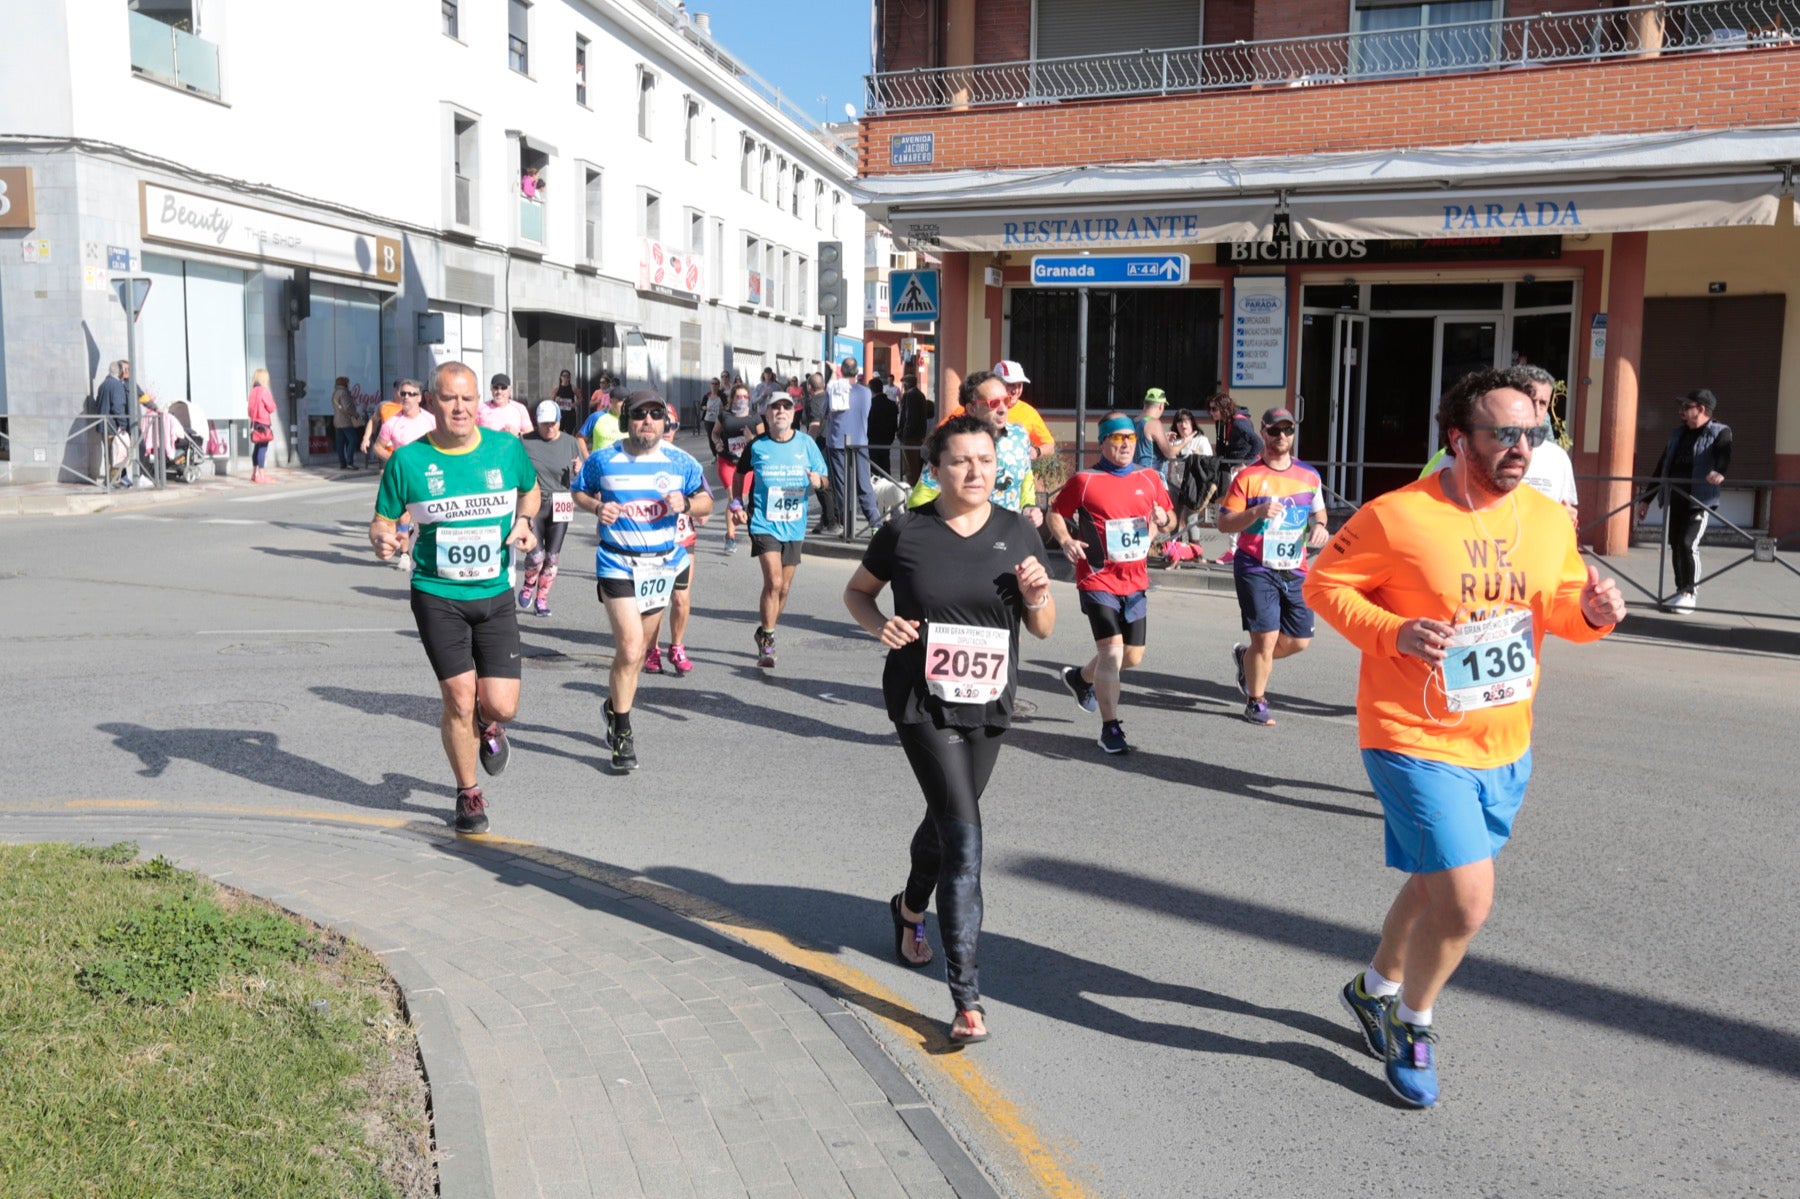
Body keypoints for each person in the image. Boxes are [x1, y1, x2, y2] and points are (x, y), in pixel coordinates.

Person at [1304, 366, 1625, 1108]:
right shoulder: (1397, 515)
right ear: (1458, 438)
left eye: (1532, 433)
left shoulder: (1545, 519)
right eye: (1503, 433)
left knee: (1439, 879)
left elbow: (1564, 610)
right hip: (1413, 735)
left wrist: (1600, 612)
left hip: (1504, 742)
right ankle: (1412, 1021)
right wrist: (1394, 631)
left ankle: (1372, 985)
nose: (1521, 447)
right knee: (1469, 899)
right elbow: (1326, 582)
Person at [843, 413, 1056, 1046]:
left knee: (945, 821)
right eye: (962, 461)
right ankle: (968, 1000)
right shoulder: (906, 531)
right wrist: (879, 625)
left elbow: (1041, 629)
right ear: (935, 470)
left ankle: (908, 909)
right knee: (965, 839)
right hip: (921, 702)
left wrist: (1040, 595)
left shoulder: (1018, 531)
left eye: (986, 461)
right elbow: (858, 593)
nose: (976, 472)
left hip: (990, 705)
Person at [368, 361, 540, 836]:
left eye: (468, 398)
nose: (459, 407)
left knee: (501, 706)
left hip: (495, 593)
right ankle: (468, 793)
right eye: (449, 398)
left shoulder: (506, 449)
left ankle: (489, 723)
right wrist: (382, 539)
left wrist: (524, 522)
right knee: (459, 698)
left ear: (478, 402)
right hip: (436, 594)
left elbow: (531, 492)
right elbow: (382, 521)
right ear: (431, 400)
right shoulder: (408, 461)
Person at [570, 390, 714, 772]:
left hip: (660, 567)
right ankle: (622, 732)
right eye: (639, 415)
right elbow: (578, 492)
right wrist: (599, 506)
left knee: (633, 656)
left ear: (665, 422)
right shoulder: (604, 459)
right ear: (626, 421)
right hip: (616, 562)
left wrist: (686, 504)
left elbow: (707, 503)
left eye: (655, 414)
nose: (647, 421)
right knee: (632, 649)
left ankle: (613, 705)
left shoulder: (681, 461)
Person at [1047, 412, 1174, 754]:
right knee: (1112, 652)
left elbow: (1169, 516)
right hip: (1097, 577)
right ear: (1102, 442)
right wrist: (1065, 541)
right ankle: (1110, 728)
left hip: (1134, 580)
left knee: (1132, 656)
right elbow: (1055, 511)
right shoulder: (1085, 480)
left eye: (1129, 438)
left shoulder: (1149, 478)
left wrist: (1164, 520)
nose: (1124, 445)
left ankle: (1079, 679)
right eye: (1116, 438)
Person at [1216, 407, 1330, 726]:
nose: (1282, 436)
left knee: (1298, 641)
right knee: (1266, 638)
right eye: (1275, 430)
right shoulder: (1248, 477)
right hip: (1256, 565)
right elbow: (1223, 523)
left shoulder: (1309, 475)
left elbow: (1319, 515)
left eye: (1288, 430)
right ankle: (1256, 700)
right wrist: (1255, 513)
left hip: (1294, 567)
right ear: (1263, 433)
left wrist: (1320, 527)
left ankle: (1247, 658)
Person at [732, 389, 827, 668]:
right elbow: (740, 475)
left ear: (794, 412)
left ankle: (764, 630)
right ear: (767, 415)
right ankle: (769, 642)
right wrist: (737, 502)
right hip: (764, 521)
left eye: (786, 407)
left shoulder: (807, 444)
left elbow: (825, 480)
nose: (781, 411)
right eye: (775, 408)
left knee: (784, 588)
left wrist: (818, 482)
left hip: (794, 524)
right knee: (773, 582)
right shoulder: (758, 446)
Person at [1423, 366, 1578, 528]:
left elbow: (1567, 510)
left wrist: (1564, 520)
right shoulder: (1452, 458)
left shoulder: (1557, 458)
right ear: (1458, 440)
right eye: (1507, 434)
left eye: (1543, 403)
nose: (1522, 449)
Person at [1637, 388, 1732, 613]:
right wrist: (1646, 500)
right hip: (1675, 498)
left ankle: (1690, 593)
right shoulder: (1678, 434)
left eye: (1686, 407)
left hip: (1699, 500)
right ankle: (1680, 591)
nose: (1681, 411)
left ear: (1701, 409)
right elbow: (1661, 466)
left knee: (1688, 545)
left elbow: (1724, 452)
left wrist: (1719, 471)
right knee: (1676, 545)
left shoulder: (1720, 431)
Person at [908, 373, 1042, 528]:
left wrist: (1029, 507)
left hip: (1009, 536)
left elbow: (1026, 477)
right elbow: (921, 498)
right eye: (994, 403)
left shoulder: (1019, 436)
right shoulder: (954, 442)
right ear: (971, 408)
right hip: (965, 538)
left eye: (1006, 401)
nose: (1003, 409)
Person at [517, 400, 582, 618]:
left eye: (553, 423)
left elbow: (579, 476)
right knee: (536, 556)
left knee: (552, 558)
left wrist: (578, 470)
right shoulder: (525, 441)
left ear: (559, 421)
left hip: (561, 501)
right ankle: (528, 584)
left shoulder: (570, 442)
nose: (549, 428)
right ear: (537, 423)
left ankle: (542, 598)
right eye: (545, 424)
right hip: (535, 501)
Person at [373, 380, 437, 571]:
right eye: (403, 394)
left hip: (428, 475)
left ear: (419, 397)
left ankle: (430, 551)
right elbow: (378, 447)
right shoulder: (392, 423)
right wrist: (395, 461)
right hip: (404, 477)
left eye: (411, 394)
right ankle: (405, 554)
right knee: (403, 518)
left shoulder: (431, 420)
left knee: (429, 516)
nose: (406, 397)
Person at [825, 357, 883, 535]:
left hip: (837, 443)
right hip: (860, 443)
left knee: (843, 488)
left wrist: (833, 372)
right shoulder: (865, 392)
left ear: (842, 371)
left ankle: (848, 527)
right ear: (857, 372)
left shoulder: (835, 389)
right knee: (864, 485)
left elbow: (828, 401)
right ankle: (875, 524)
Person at [1210, 392, 1263, 564]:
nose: (1211, 413)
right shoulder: (1224, 422)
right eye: (1209, 409)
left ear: (1224, 408)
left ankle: (1234, 550)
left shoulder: (1239, 423)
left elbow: (1258, 443)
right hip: (1231, 467)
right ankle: (1235, 548)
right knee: (1231, 507)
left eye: (1214, 409)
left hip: (1239, 470)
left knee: (1233, 509)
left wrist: (1246, 463)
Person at [711, 383, 762, 552]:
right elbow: (715, 433)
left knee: (742, 499)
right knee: (734, 499)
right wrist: (717, 443)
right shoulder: (725, 416)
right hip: (727, 462)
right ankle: (730, 536)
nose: (742, 400)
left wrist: (751, 438)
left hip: (745, 466)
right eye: (738, 397)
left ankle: (735, 532)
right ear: (732, 398)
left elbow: (763, 443)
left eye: (745, 397)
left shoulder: (755, 418)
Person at [1165, 407, 1216, 549]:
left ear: (1192, 423)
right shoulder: (1174, 441)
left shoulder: (1201, 440)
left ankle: (1196, 551)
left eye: (1186, 421)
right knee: (1173, 518)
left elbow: (1209, 463)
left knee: (1190, 518)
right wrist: (1166, 440)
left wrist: (1198, 456)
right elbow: (1165, 457)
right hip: (1175, 484)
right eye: (1180, 422)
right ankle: (1175, 551)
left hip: (1193, 486)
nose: (1183, 425)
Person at [97, 361, 141, 488]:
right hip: (113, 427)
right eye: (124, 370)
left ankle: (109, 481)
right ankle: (113, 482)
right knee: (116, 456)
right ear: (120, 372)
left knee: (109, 455)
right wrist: (123, 425)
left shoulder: (103, 384)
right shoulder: (117, 385)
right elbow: (118, 407)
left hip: (103, 426)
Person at [361, 381, 406, 470]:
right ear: (394, 391)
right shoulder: (384, 406)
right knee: (386, 477)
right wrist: (366, 438)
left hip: (405, 450)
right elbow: (373, 421)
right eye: (401, 391)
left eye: (406, 392)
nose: (404, 395)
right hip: (386, 450)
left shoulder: (412, 407)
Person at [898, 373, 934, 484]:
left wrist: (904, 435)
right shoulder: (920, 395)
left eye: (904, 384)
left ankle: (911, 488)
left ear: (906, 384)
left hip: (910, 437)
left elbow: (909, 416)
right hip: (918, 436)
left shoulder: (909, 395)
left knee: (910, 467)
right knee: (916, 465)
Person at [1133, 389, 1174, 478]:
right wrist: (1185, 441)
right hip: (1151, 477)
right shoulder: (1154, 422)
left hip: (1134, 474)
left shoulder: (1134, 421)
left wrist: (1162, 437)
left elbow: (1144, 441)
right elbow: (1170, 453)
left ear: (1144, 404)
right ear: (1161, 406)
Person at [246, 367, 277, 485]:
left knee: (257, 448)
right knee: (263, 449)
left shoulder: (252, 391)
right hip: (264, 422)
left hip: (255, 423)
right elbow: (271, 407)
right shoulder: (264, 391)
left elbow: (249, 410)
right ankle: (261, 475)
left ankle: (254, 473)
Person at [868, 373, 900, 478]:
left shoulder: (870, 404)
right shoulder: (891, 405)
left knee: (873, 470)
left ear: (871, 390)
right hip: (887, 440)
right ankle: (888, 489)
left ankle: (876, 491)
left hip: (872, 441)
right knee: (886, 467)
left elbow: (869, 422)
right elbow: (895, 423)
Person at [330, 377, 359, 470]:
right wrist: (355, 414)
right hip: (345, 421)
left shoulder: (335, 392)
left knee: (340, 443)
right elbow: (347, 407)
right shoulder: (344, 393)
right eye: (347, 382)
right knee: (353, 440)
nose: (349, 383)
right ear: (344, 383)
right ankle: (350, 462)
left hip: (337, 421)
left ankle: (343, 463)